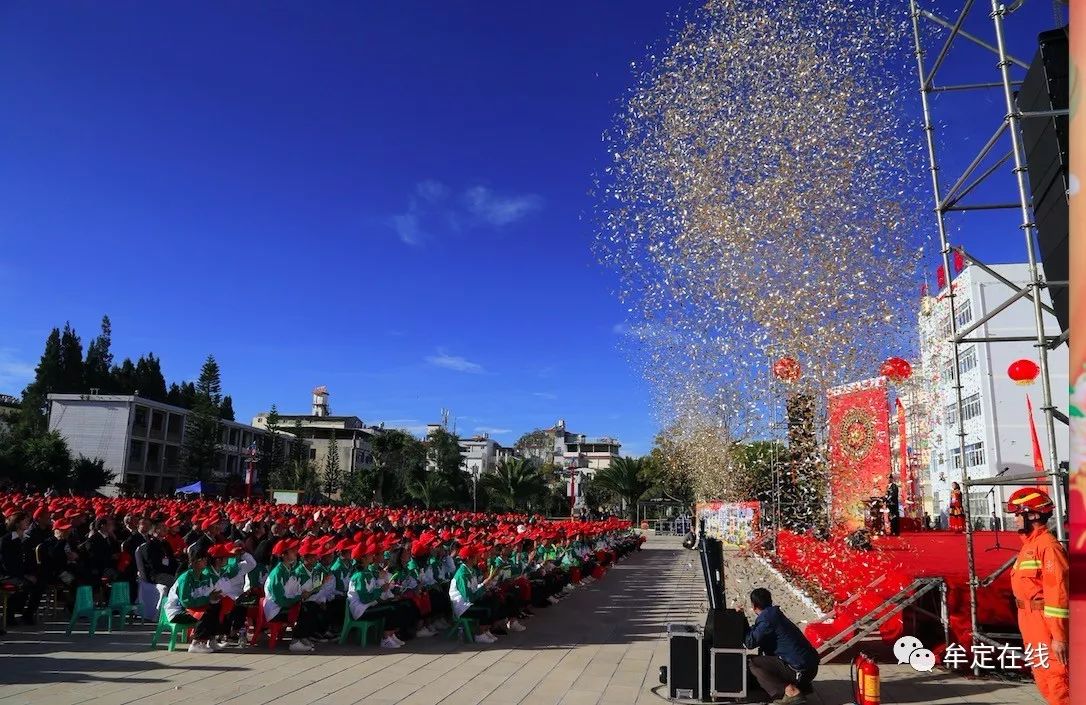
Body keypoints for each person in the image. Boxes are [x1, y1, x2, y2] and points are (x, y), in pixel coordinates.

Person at [1006, 488, 1068, 705]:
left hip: (1045, 623)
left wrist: (1059, 637)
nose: (1014, 520)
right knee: (1043, 678)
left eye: (1017, 514)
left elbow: (1057, 593)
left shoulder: (1048, 547)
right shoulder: (1029, 547)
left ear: (1032, 515)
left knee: (1058, 682)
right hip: (1030, 622)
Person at [740, 588, 819, 705]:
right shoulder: (774, 615)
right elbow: (756, 633)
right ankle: (801, 688)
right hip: (809, 667)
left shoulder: (767, 619)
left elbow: (750, 642)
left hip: (799, 670)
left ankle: (790, 692)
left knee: (752, 662)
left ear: (754, 605)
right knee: (763, 660)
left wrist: (741, 619)